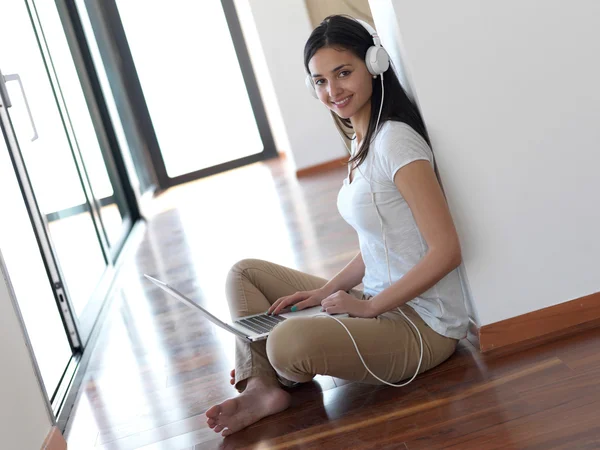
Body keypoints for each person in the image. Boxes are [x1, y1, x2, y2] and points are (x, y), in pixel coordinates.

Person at [205, 14, 468, 437]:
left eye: (343, 73)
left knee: (285, 344)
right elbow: (384, 240)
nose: (333, 91)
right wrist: (326, 291)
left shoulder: (396, 142)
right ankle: (264, 386)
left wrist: (366, 308)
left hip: (421, 326)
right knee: (245, 273)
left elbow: (446, 250)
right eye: (320, 81)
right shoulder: (359, 140)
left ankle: (269, 372)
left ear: (375, 64)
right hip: (374, 298)